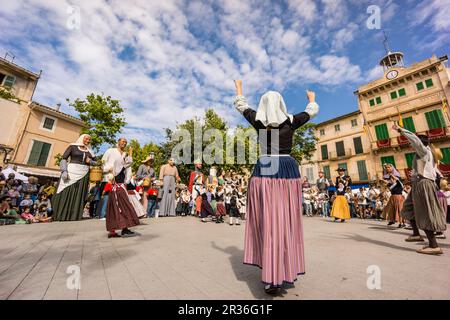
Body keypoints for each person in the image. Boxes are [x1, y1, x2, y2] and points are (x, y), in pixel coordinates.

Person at [234, 80, 318, 294]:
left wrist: (240, 89)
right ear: (281, 103)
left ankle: (272, 273)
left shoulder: (259, 122)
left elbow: (241, 106)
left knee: (268, 220)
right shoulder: (291, 121)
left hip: (265, 168)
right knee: (286, 220)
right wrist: (312, 100)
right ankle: (286, 267)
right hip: (288, 169)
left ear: (263, 104)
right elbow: (311, 112)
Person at [394, 123, 446, 255]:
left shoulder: (423, 151)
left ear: (421, 144)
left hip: (423, 184)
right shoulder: (426, 154)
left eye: (414, 145)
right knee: (408, 208)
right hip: (418, 183)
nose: (412, 146)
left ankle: (433, 245)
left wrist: (401, 130)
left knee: (424, 212)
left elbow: (415, 140)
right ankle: (416, 233)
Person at [102, 138, 140, 238]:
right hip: (114, 184)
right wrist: (108, 170)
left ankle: (124, 228)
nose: (124, 143)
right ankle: (113, 231)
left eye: (125, 142)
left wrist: (127, 180)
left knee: (123, 206)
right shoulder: (111, 151)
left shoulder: (125, 155)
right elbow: (104, 163)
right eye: (122, 141)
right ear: (118, 142)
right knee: (115, 207)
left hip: (121, 184)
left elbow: (128, 165)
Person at [53, 134, 96, 221]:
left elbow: (96, 163)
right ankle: (60, 214)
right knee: (66, 190)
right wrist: (64, 170)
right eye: (86, 139)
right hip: (72, 171)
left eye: (89, 140)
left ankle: (74, 215)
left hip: (84, 173)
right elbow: (64, 158)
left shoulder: (90, 151)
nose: (88, 141)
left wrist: (91, 161)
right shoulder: (73, 146)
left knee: (79, 194)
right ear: (82, 139)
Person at [381, 163, 405, 228]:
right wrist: (385, 181)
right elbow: (388, 184)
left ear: (392, 168)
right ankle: (393, 220)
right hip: (393, 196)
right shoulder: (389, 180)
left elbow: (399, 183)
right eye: (387, 168)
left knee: (399, 210)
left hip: (398, 196)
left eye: (389, 167)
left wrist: (392, 176)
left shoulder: (397, 178)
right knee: (390, 209)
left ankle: (402, 223)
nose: (387, 168)